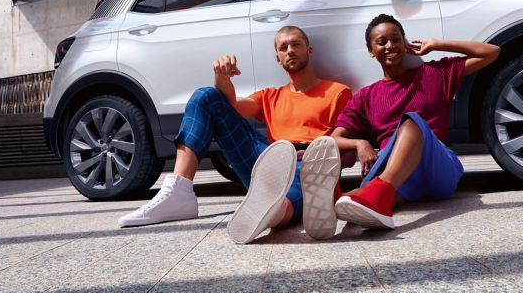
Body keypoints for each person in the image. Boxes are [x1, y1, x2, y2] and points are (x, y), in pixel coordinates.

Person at [118, 26, 351, 244]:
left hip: (310, 163)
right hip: (270, 161)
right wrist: (222, 76)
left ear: (308, 50)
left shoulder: (337, 92)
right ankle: (178, 191)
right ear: (277, 58)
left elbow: (345, 146)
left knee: (292, 192)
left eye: (296, 44)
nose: (290, 50)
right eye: (283, 47)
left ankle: (271, 211)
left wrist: (318, 153)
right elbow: (229, 107)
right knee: (205, 96)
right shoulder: (270, 96)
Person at [326, 13, 500, 230]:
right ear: (371, 51)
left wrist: (436, 44)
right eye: (381, 42)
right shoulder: (366, 96)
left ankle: (379, 190)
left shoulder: (434, 73)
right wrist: (359, 143)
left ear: (405, 43)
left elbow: (491, 52)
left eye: (396, 39)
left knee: (411, 122)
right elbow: (334, 140)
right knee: (349, 202)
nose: (390, 46)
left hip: (438, 167)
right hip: (401, 174)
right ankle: (341, 205)